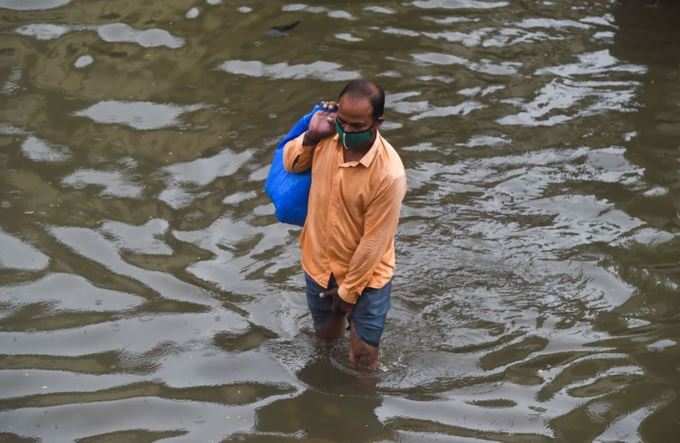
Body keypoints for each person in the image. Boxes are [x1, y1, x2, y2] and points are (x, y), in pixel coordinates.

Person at [283, 79, 407, 370]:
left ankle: (363, 408)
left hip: (368, 278)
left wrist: (349, 292)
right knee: (325, 344)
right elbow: (292, 164)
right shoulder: (327, 137)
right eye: (343, 123)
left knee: (364, 359)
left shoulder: (389, 175)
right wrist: (311, 136)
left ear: (377, 123)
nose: (347, 132)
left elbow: (374, 241)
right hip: (320, 265)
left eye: (357, 126)